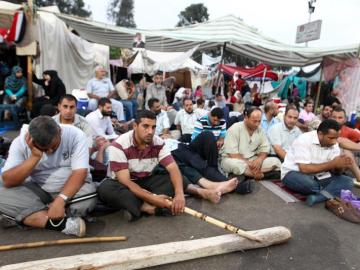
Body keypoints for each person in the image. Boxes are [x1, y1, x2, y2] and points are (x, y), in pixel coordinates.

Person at [97, 110, 235, 221]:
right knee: (106, 189)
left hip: (147, 179)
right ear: (135, 126)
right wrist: (153, 198)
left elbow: (173, 167)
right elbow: (126, 181)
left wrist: (179, 194)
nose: (150, 131)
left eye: (153, 127)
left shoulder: (157, 142)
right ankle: (148, 208)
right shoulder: (119, 145)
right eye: (145, 126)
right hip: (123, 184)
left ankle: (202, 192)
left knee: (175, 177)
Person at [0, 116, 97, 236]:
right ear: (31, 140)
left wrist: (61, 200)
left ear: (60, 131)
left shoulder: (75, 135)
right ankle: (60, 223)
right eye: (45, 149)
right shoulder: (20, 142)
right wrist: (35, 157)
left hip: (70, 192)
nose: (50, 151)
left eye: (54, 146)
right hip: (36, 191)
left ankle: (27, 216)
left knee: (88, 196)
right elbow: (8, 181)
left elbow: (80, 172)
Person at [281, 119, 354, 206]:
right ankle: (328, 192)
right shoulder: (304, 139)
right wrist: (333, 164)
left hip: (319, 177)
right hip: (294, 174)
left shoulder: (334, 144)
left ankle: (318, 197)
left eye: (336, 138)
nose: (334, 141)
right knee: (310, 185)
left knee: (348, 181)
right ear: (320, 134)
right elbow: (304, 169)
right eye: (331, 138)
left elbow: (335, 171)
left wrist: (340, 167)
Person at [221, 107, 281, 180]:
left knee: (276, 161)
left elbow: (265, 148)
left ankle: (248, 175)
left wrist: (260, 160)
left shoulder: (260, 130)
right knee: (237, 165)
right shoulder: (235, 128)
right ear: (246, 117)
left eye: (259, 121)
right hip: (233, 159)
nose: (257, 124)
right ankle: (260, 175)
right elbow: (232, 154)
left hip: (253, 160)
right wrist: (249, 163)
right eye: (254, 121)